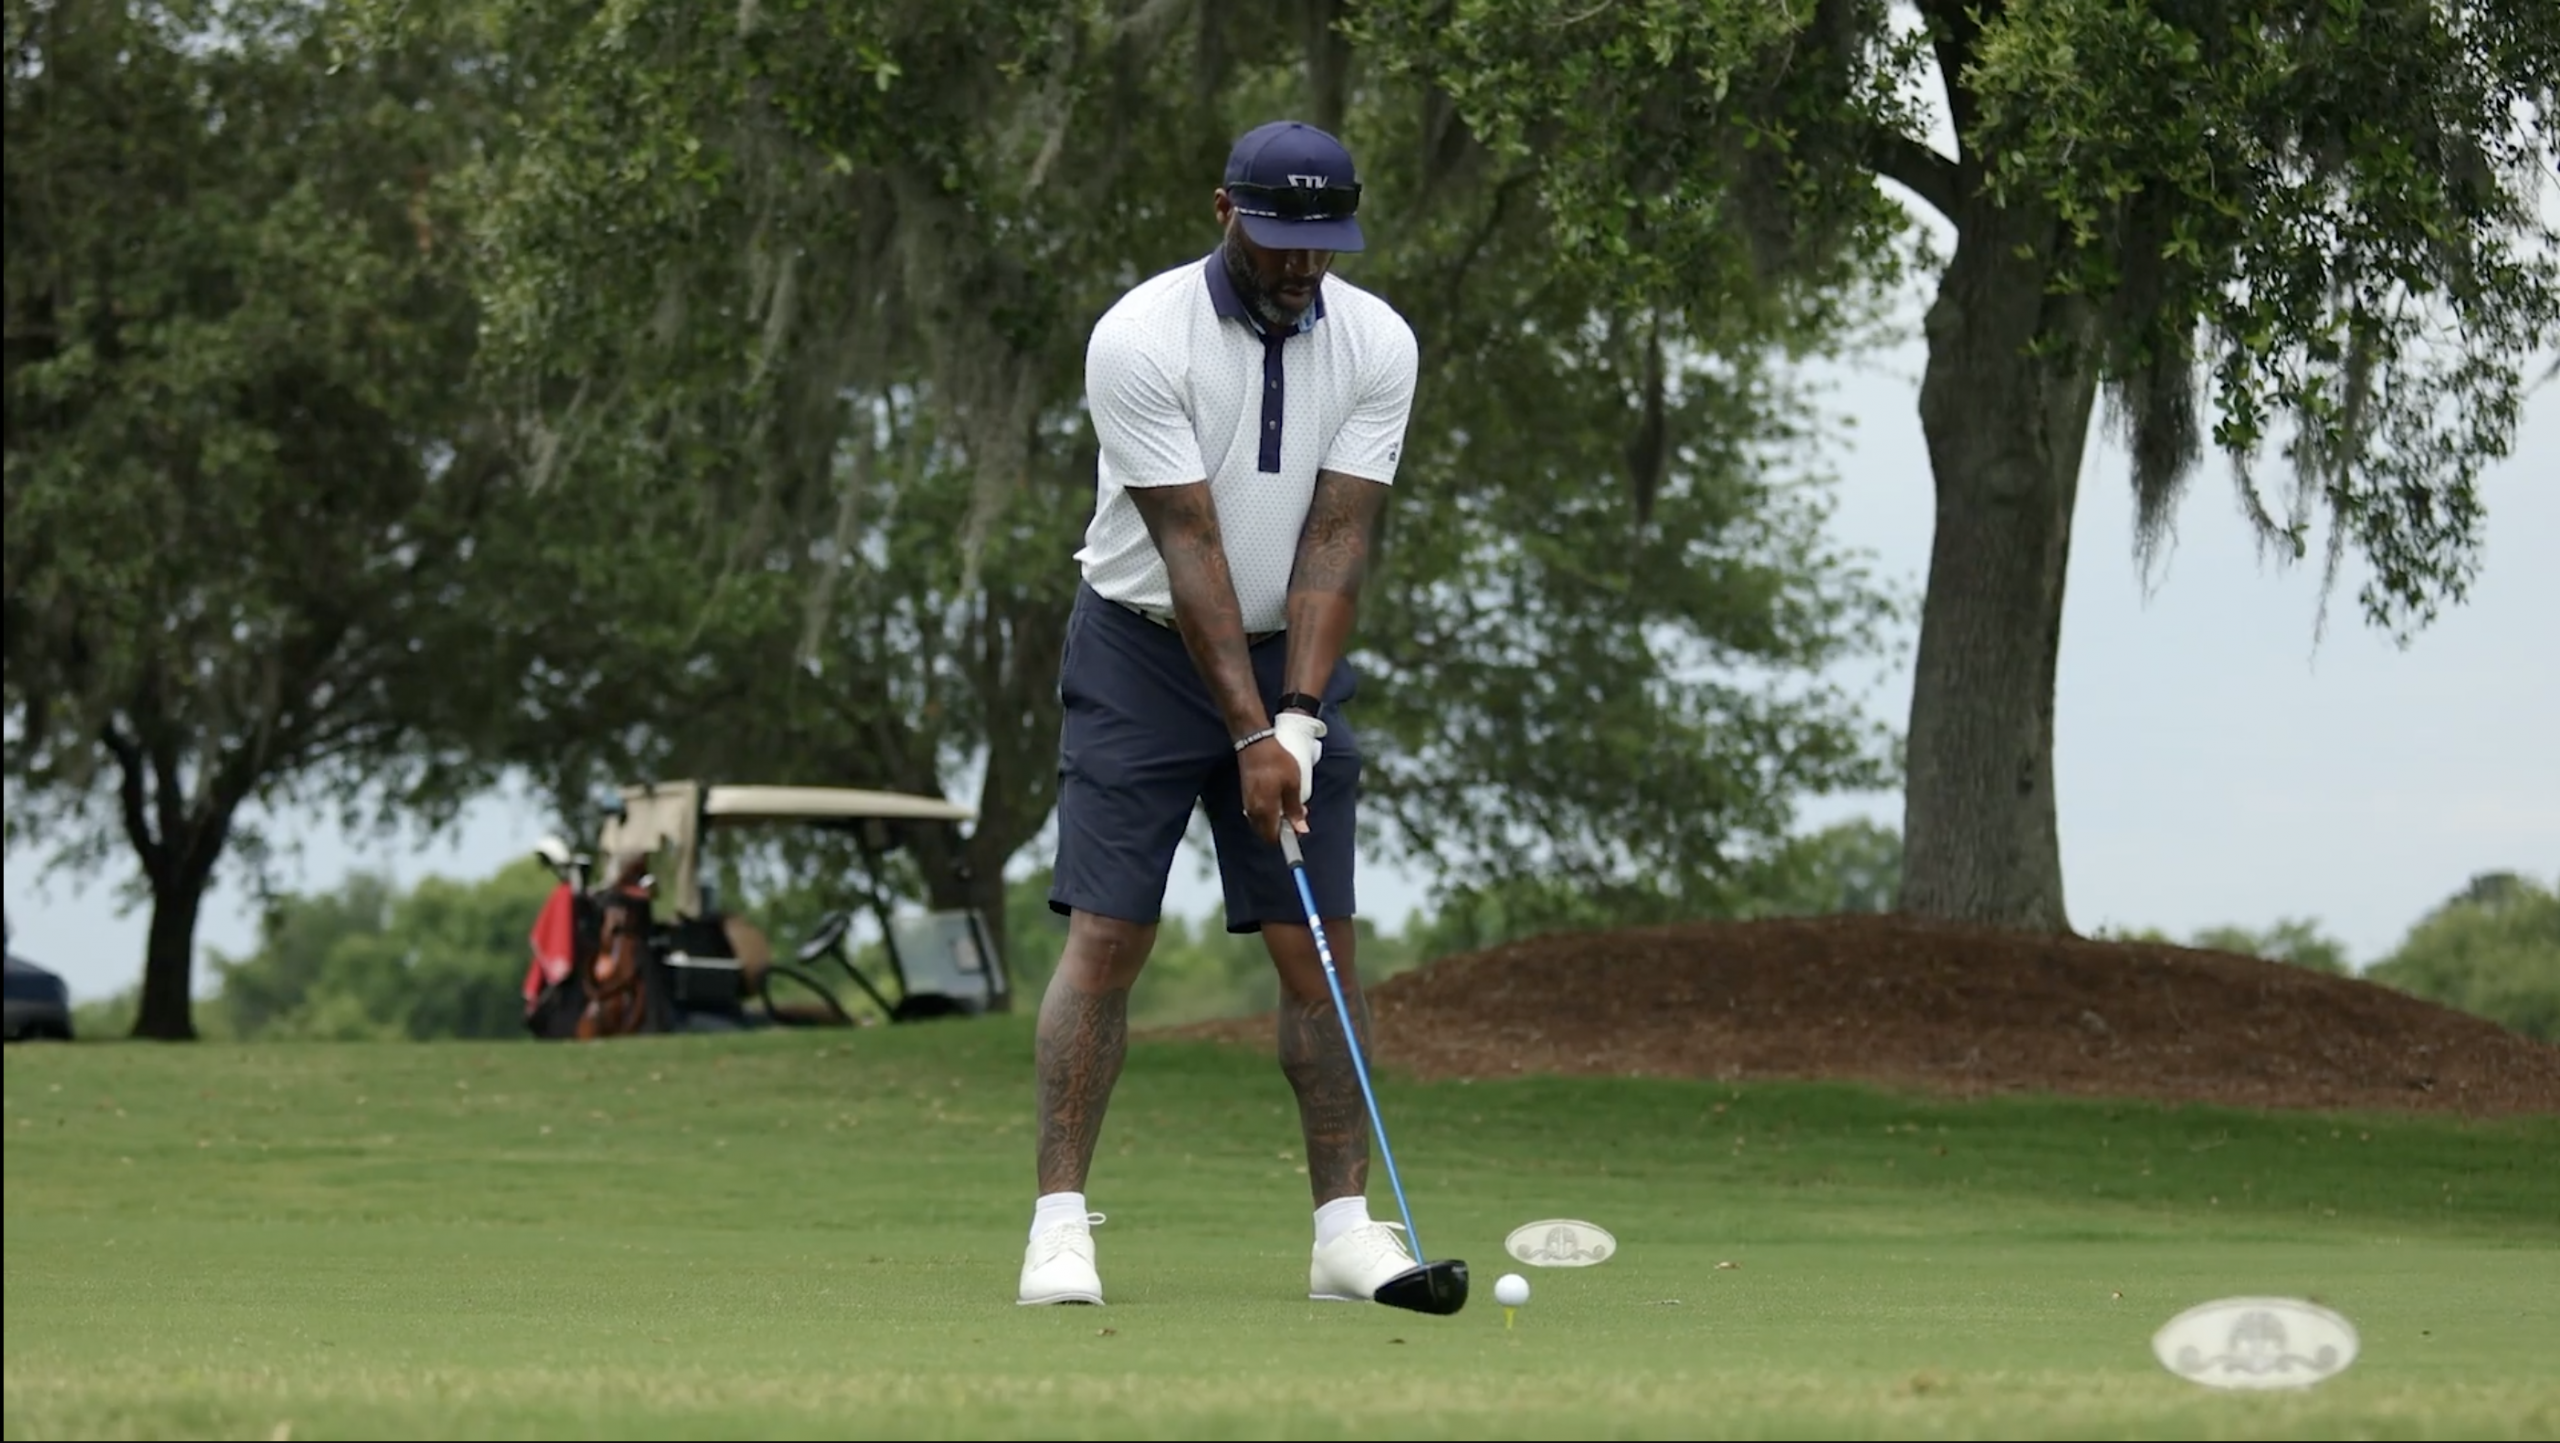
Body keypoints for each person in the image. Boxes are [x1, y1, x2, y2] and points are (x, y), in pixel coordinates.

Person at [1017, 119, 1421, 1307]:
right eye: (1279, 240)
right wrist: (1249, 735)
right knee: (1110, 934)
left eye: (1323, 245)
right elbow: (1187, 545)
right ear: (1222, 211)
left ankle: (1344, 1235)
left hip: (1283, 652)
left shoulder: (1378, 342)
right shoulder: (1140, 338)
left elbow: (1337, 535)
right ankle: (1057, 1232)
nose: (1302, 269)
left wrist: (1296, 714)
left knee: (1319, 948)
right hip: (1140, 654)